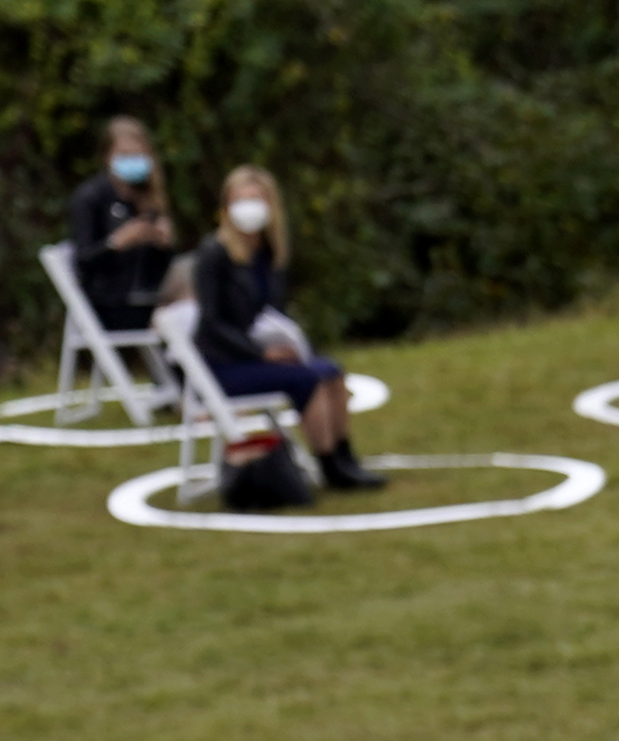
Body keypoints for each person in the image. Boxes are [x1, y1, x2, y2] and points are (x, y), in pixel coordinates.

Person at [173, 168, 384, 491]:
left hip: (258, 351)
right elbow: (212, 325)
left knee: (330, 371)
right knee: (305, 379)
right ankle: (328, 463)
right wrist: (262, 353)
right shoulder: (213, 255)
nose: (249, 208)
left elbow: (272, 314)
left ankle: (345, 457)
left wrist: (289, 346)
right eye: (240, 200)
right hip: (224, 362)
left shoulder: (268, 254)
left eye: (256, 200)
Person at [62, 115, 177, 347]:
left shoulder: (148, 199)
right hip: (108, 305)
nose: (132, 161)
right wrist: (117, 243)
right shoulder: (90, 198)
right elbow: (82, 261)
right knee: (188, 319)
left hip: (149, 298)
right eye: (124, 155)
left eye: (138, 154)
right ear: (107, 157)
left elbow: (162, 269)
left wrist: (164, 244)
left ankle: (185, 382)